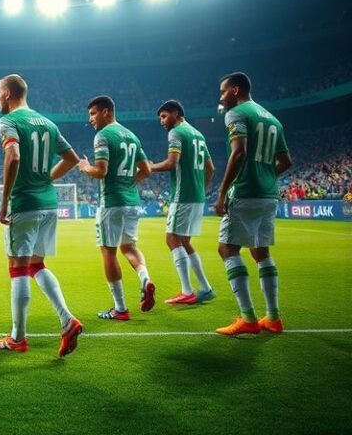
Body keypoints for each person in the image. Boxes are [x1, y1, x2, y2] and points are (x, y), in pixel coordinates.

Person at [0, 74, 83, 357]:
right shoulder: (49, 123)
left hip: (25, 203)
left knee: (18, 267)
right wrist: (47, 179)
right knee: (36, 264)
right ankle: (67, 319)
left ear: (7, 93)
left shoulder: (9, 122)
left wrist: (4, 200)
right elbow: (72, 159)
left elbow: (13, 156)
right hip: (48, 204)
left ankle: (17, 338)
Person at [214, 72, 292, 336]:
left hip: (245, 191)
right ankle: (273, 317)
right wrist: (266, 176)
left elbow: (239, 151)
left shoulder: (236, 114)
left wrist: (222, 193)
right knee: (261, 251)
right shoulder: (274, 119)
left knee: (227, 249)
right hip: (269, 194)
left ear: (236, 90)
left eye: (223, 91)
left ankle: (247, 318)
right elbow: (286, 161)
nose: (221, 96)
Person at [77, 96, 154, 320]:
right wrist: (129, 183)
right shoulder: (132, 136)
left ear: (106, 111)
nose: (90, 119)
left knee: (108, 252)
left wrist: (85, 167)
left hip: (111, 203)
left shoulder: (102, 136)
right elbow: (147, 170)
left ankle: (120, 309)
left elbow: (101, 171)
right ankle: (145, 279)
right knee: (129, 247)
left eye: (93, 113)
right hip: (132, 202)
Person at [149, 100, 215, 304]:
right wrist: (202, 190)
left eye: (164, 116)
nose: (161, 121)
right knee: (185, 241)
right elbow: (210, 167)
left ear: (175, 113)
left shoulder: (176, 133)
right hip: (196, 196)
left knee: (171, 239)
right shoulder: (198, 134)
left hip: (182, 195)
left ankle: (187, 290)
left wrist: (150, 167)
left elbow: (171, 163)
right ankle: (205, 288)